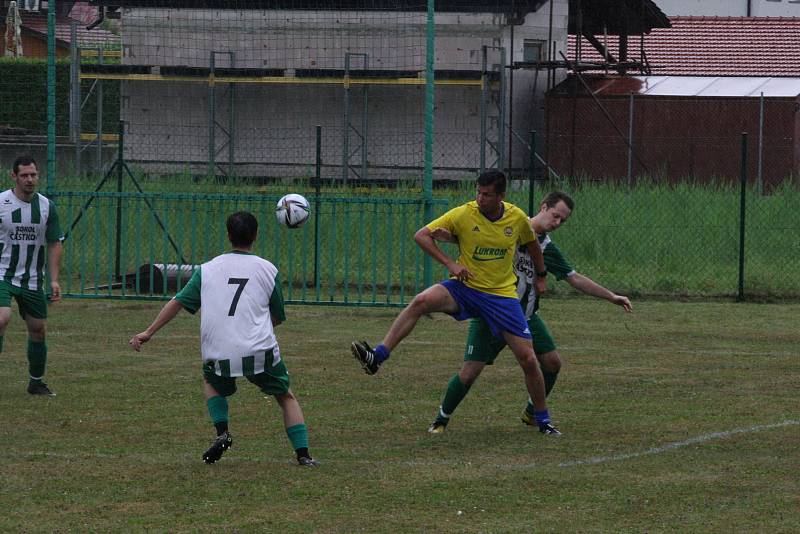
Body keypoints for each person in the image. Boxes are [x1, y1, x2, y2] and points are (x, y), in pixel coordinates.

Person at [351, 170, 561, 434]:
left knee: (529, 359)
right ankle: (377, 357)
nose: (480, 198)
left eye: (487, 195)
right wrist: (450, 262)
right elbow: (422, 235)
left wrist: (541, 275)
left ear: (501, 196)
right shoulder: (463, 213)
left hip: (501, 297)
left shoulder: (517, 217)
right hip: (466, 288)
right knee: (421, 301)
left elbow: (532, 244)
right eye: (478, 193)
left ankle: (542, 420)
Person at [426, 191, 632, 433]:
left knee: (552, 363)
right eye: (555, 216)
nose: (556, 223)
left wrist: (611, 296)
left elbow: (574, 278)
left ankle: (533, 414)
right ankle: (441, 420)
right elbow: (474, 243)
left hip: (525, 317)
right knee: (469, 373)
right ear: (544, 207)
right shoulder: (509, 228)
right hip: (490, 314)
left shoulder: (545, 248)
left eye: (562, 221)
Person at [129, 211, 319, 466]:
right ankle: (303, 455)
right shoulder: (267, 269)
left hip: (219, 351)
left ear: (228, 235)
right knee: (285, 396)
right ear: (256, 235)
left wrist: (148, 332)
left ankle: (222, 433)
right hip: (258, 349)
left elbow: (178, 302)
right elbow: (277, 317)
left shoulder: (207, 270)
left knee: (213, 383)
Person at [0, 155, 64, 396]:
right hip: (2, 274)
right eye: (24, 175)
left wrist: (54, 279)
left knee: (37, 329)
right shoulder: (1, 203)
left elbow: (55, 242)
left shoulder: (47, 206)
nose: (30, 179)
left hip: (32, 279)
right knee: (1, 318)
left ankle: (36, 382)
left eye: (33, 175)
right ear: (13, 176)